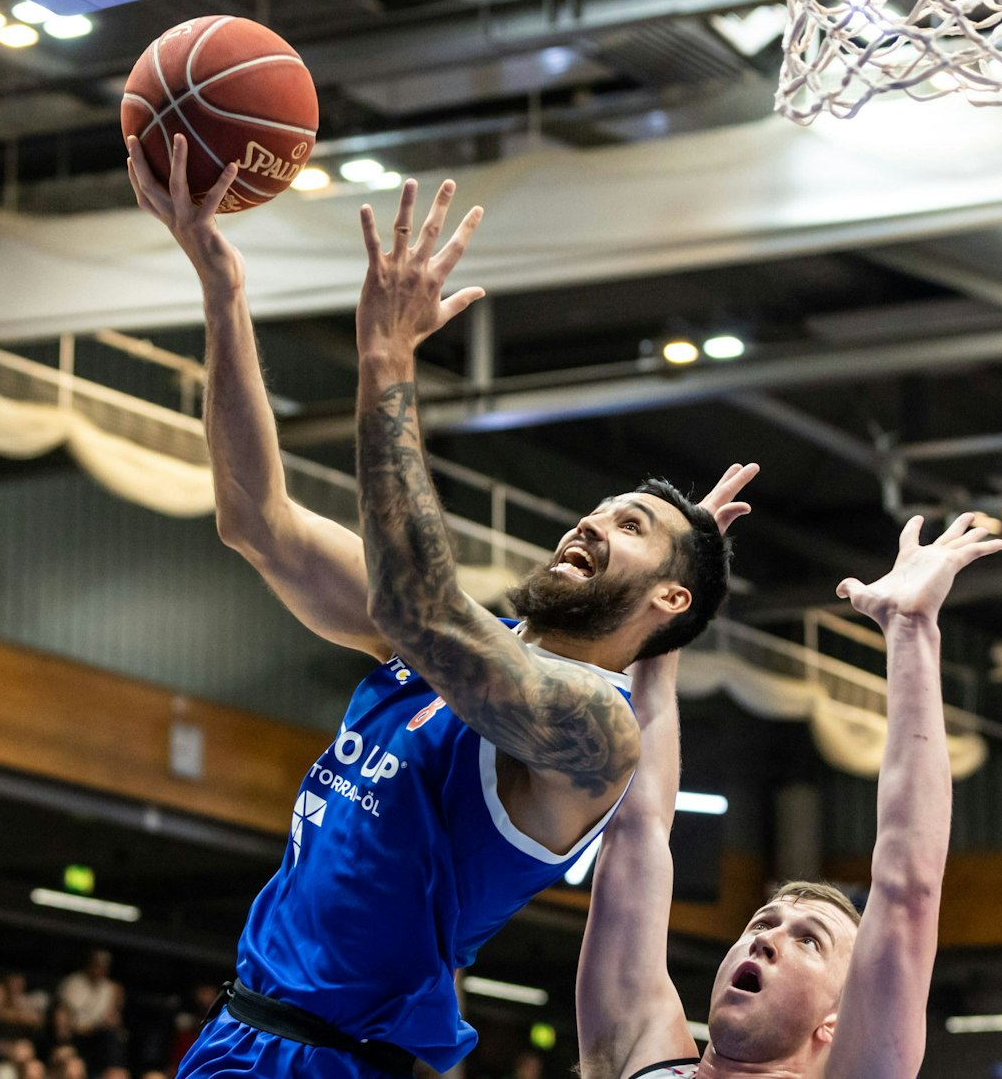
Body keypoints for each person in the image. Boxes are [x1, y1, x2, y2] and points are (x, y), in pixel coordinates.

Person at [127, 141, 747, 1079]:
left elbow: (422, 611)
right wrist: (222, 286)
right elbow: (257, 519)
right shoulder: (460, 642)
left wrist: (387, 361)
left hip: (335, 1062)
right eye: (601, 507)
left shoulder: (592, 728)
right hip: (235, 1035)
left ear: (671, 596)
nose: (591, 522)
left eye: (631, 524)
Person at [574, 514, 1002, 1079]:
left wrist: (911, 629)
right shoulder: (635, 1053)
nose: (766, 939)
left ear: (839, 1018)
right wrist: (672, 592)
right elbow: (637, 828)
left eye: (809, 942)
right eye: (761, 924)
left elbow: (908, 889)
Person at [56, 951, 122, 1069]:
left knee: (111, 1038)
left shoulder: (111, 988)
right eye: (96, 965)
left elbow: (113, 1017)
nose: (99, 970)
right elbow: (63, 1012)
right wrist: (63, 1040)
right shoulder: (73, 982)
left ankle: (114, 1071)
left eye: (103, 967)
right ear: (89, 965)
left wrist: (102, 1025)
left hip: (97, 1034)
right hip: (75, 1033)